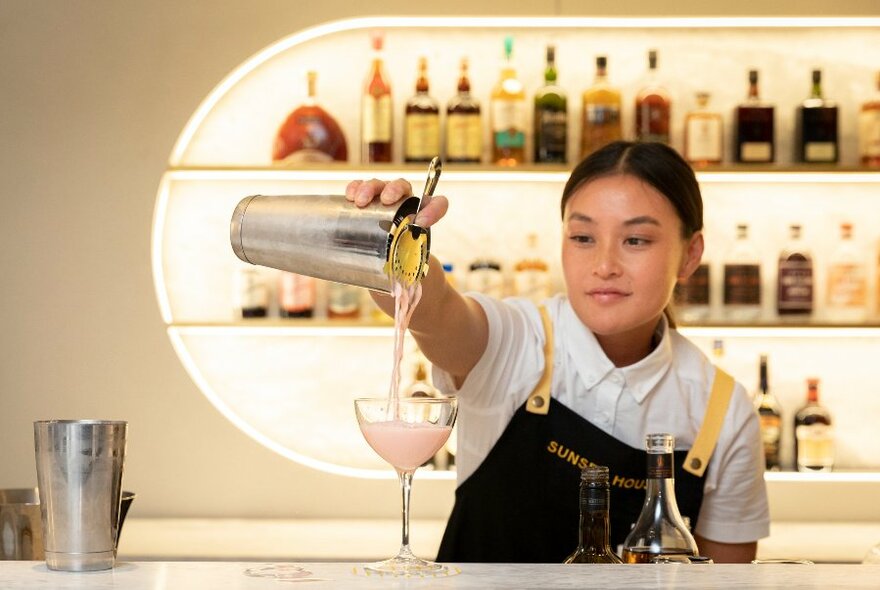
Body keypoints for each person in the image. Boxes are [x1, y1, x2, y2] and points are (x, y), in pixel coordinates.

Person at [346, 141, 769, 564]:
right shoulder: (518, 341)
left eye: (636, 240)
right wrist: (387, 239)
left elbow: (727, 582)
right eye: (583, 237)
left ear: (690, 254)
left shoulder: (723, 411)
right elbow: (436, 311)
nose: (605, 265)